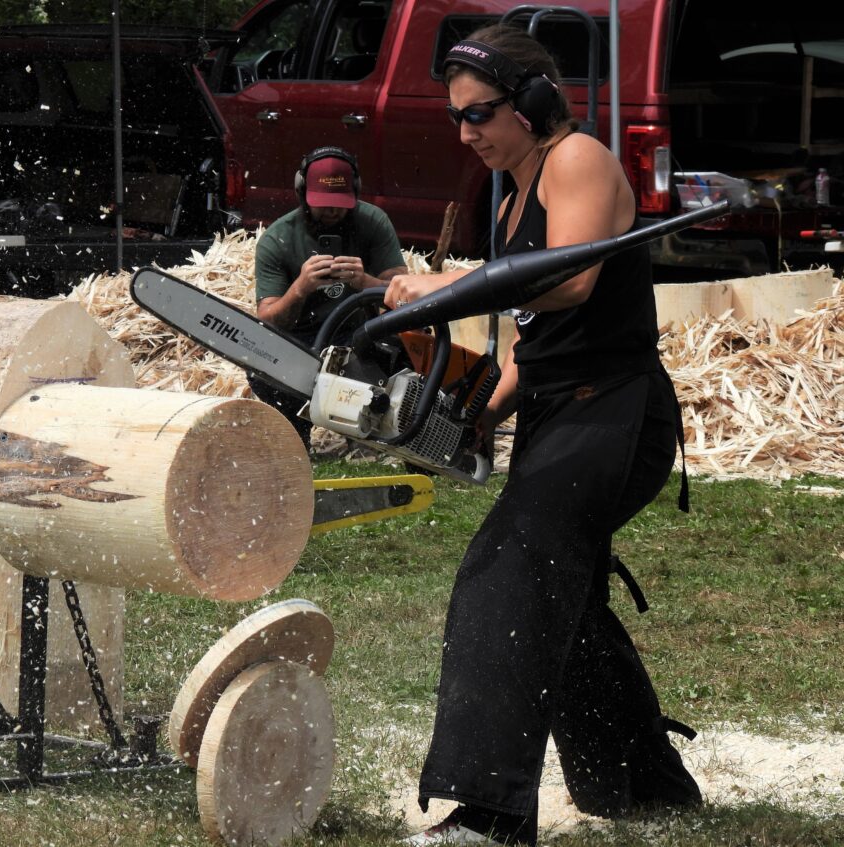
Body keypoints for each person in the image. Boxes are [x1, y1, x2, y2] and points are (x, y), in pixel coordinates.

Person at [386, 25, 703, 846]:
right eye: (457, 118)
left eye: (481, 113)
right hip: (562, 410)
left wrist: (444, 287)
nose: (467, 133)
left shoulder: (577, 161)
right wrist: (481, 410)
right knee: (568, 603)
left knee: (509, 578)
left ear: (532, 103)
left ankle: (488, 813)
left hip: (617, 412)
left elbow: (571, 276)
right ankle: (644, 786)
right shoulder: (515, 188)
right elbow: (535, 338)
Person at [251, 146, 407, 450]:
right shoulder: (278, 238)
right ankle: (294, 435)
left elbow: (403, 293)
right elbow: (267, 318)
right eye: (323, 204)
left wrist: (365, 283)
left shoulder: (373, 222)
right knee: (261, 368)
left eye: (340, 203)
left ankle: (367, 435)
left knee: (400, 352)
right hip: (300, 340)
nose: (332, 211)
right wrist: (300, 287)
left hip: (360, 336)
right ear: (301, 194)